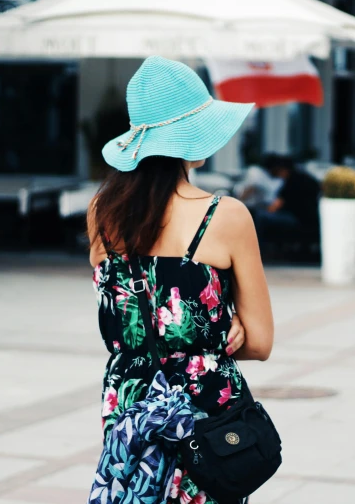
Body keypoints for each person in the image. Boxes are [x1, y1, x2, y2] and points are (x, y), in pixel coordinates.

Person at [86, 57, 274, 504]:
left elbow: (128, 320)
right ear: (191, 139)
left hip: (128, 405)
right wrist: (224, 331)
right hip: (205, 417)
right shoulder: (224, 216)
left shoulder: (101, 213)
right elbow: (260, 343)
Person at [253, 154, 321, 241]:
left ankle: (258, 247)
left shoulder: (291, 183)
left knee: (260, 216)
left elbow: (273, 208)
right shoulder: (307, 178)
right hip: (312, 219)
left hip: (298, 219)